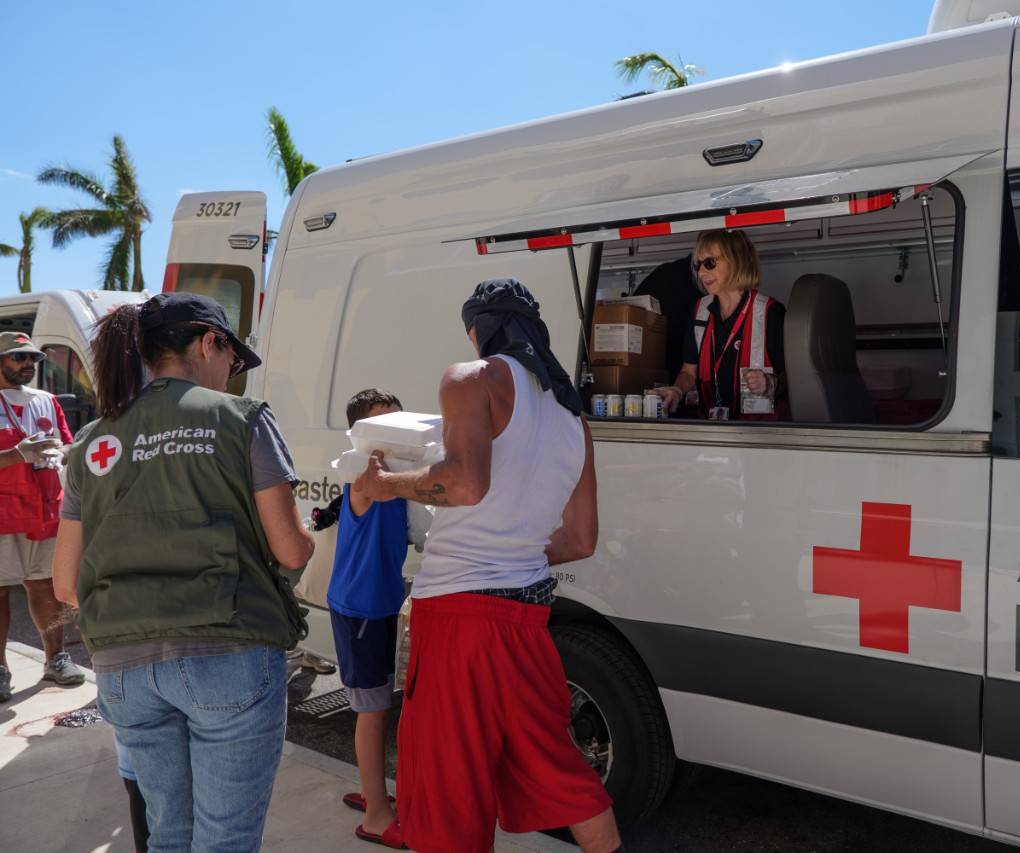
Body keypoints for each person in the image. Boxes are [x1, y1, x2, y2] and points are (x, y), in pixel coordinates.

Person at [354, 279, 619, 853]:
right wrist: (515, 546)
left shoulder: (473, 378)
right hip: (527, 620)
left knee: (447, 787)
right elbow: (580, 539)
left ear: (479, 330)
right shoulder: (575, 420)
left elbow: (467, 484)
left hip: (458, 617)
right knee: (562, 771)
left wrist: (385, 485)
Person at [51, 292, 314, 852]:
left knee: (168, 835)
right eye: (232, 360)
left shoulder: (92, 441)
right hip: (230, 653)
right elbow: (291, 552)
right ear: (208, 342)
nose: (231, 374)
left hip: (122, 669)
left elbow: (65, 584)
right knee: (225, 840)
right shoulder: (241, 419)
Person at [328, 388, 412, 848]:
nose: (395, 437)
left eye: (401, 425)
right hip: (359, 609)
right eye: (384, 428)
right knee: (373, 710)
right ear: (360, 437)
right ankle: (377, 815)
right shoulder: (366, 478)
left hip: (377, 605)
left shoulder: (393, 476)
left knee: (379, 705)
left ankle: (371, 790)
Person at [0, 331, 84, 703]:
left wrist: (64, 454)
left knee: (47, 587)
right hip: (2, 513)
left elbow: (67, 444)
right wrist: (17, 455)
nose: (27, 365)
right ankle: (0, 670)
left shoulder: (48, 401)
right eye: (18, 358)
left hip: (45, 508)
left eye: (32, 359)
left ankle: (57, 658)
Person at [654, 229, 788, 421]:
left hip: (760, 434)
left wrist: (771, 383)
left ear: (736, 260)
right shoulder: (699, 310)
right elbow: (688, 372)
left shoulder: (770, 312)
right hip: (714, 432)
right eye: (698, 264)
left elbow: (793, 380)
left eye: (710, 263)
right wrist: (677, 389)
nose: (701, 272)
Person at [633, 253, 702, 381]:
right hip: (680, 368)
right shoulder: (702, 292)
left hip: (659, 367)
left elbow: (634, 313)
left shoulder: (665, 273)